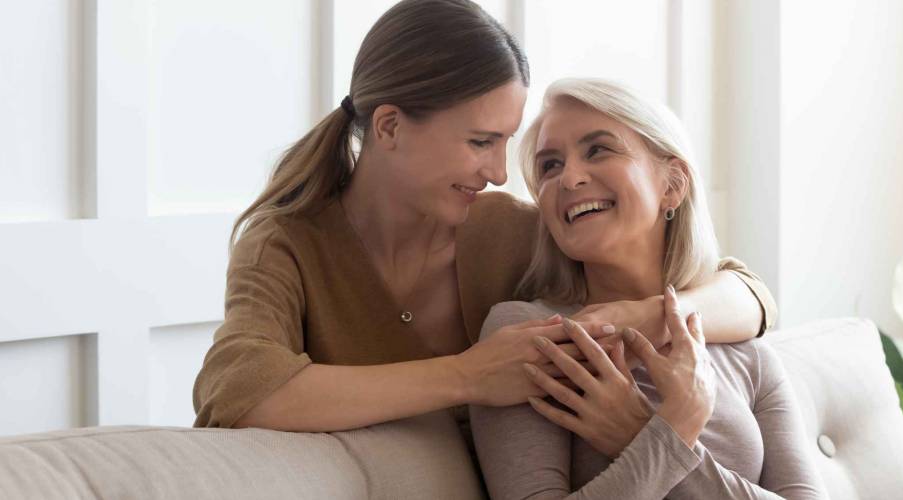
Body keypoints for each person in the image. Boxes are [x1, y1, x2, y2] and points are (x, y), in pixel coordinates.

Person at [192, 0, 777, 433]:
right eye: (479, 142)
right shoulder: (284, 243)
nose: (500, 171)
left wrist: (648, 315)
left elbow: (750, 294)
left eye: (507, 143)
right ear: (390, 126)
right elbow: (237, 394)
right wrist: (468, 375)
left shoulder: (508, 230)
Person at [470, 79, 827, 499]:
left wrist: (644, 435)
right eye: (550, 165)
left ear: (672, 185)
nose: (568, 178)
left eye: (597, 149)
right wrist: (672, 430)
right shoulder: (533, 335)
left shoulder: (747, 352)